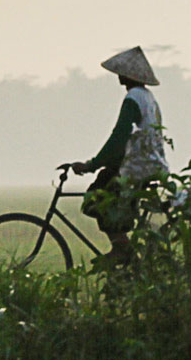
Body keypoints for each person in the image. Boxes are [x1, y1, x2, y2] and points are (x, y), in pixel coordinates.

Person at [69, 46, 168, 267]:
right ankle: (126, 254)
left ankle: (121, 248)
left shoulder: (133, 98)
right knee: (109, 183)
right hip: (151, 162)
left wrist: (91, 165)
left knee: (97, 197)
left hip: (138, 166)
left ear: (127, 76)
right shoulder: (148, 98)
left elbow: (119, 138)